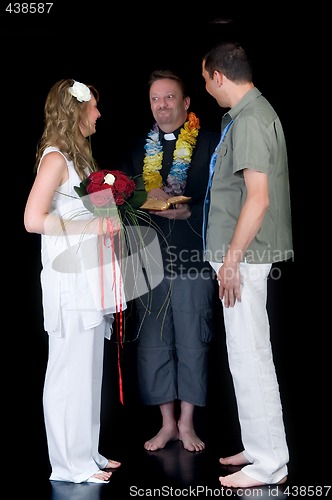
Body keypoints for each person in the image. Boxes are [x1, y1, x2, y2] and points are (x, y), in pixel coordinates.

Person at [201, 41, 293, 487]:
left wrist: (232, 262)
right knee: (247, 355)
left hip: (244, 257)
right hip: (241, 255)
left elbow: (258, 198)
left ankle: (269, 463)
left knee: (250, 356)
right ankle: (261, 449)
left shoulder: (252, 119)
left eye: (204, 79)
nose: (205, 87)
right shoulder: (248, 116)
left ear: (219, 76)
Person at [24, 79, 124, 483]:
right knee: (68, 372)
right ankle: (68, 466)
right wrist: (91, 226)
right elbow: (32, 220)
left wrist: (112, 222)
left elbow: (104, 217)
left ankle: (87, 453)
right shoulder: (55, 160)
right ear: (77, 111)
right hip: (69, 280)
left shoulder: (82, 160)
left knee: (88, 371)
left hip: (91, 278)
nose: (99, 115)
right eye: (94, 108)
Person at [123, 69, 220, 452]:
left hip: (193, 259)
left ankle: (187, 423)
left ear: (186, 102)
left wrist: (189, 212)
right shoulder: (137, 149)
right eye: (155, 99)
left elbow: (224, 202)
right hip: (149, 263)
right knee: (154, 344)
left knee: (193, 340)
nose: (161, 105)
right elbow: (128, 201)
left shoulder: (211, 145)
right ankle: (166, 423)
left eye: (169, 97)